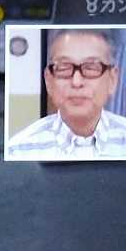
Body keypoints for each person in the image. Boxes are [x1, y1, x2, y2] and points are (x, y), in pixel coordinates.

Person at [7, 28, 126, 160]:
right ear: (48, 80)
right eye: (64, 67)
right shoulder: (19, 149)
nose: (76, 82)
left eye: (91, 67)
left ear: (112, 79)